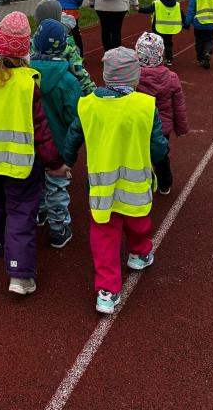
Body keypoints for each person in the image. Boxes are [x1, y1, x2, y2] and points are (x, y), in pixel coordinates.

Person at [0, 12, 69, 295]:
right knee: (21, 212)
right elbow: (41, 129)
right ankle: (20, 273)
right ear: (25, 49)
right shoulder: (27, 83)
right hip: (20, 162)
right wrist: (55, 163)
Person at [61, 47, 168, 314]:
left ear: (106, 75)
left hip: (101, 186)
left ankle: (107, 291)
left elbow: (74, 136)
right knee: (139, 221)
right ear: (135, 77)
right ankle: (139, 253)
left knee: (104, 237)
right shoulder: (145, 106)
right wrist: (159, 153)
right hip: (135, 184)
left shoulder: (88, 105)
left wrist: (66, 161)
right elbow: (158, 149)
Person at [30, 19, 82, 248]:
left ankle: (40, 212)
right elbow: (75, 118)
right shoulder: (69, 81)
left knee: (37, 181)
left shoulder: (26, 74)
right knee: (57, 187)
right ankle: (58, 229)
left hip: (32, 143)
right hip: (59, 146)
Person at [135, 32, 189, 195]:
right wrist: (181, 128)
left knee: (137, 153)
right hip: (162, 127)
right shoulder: (171, 77)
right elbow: (178, 105)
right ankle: (164, 184)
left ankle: (140, 183)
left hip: (138, 124)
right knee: (161, 155)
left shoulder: (132, 76)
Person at [33, 0, 96, 95]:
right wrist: (92, 93)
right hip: (65, 91)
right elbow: (80, 74)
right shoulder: (67, 47)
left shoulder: (33, 43)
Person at [138, 0, 184, 65]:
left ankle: (157, 58)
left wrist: (139, 9)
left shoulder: (157, 3)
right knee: (168, 43)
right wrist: (186, 23)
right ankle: (169, 59)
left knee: (157, 43)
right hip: (170, 28)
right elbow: (182, 15)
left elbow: (148, 10)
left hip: (158, 27)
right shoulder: (177, 4)